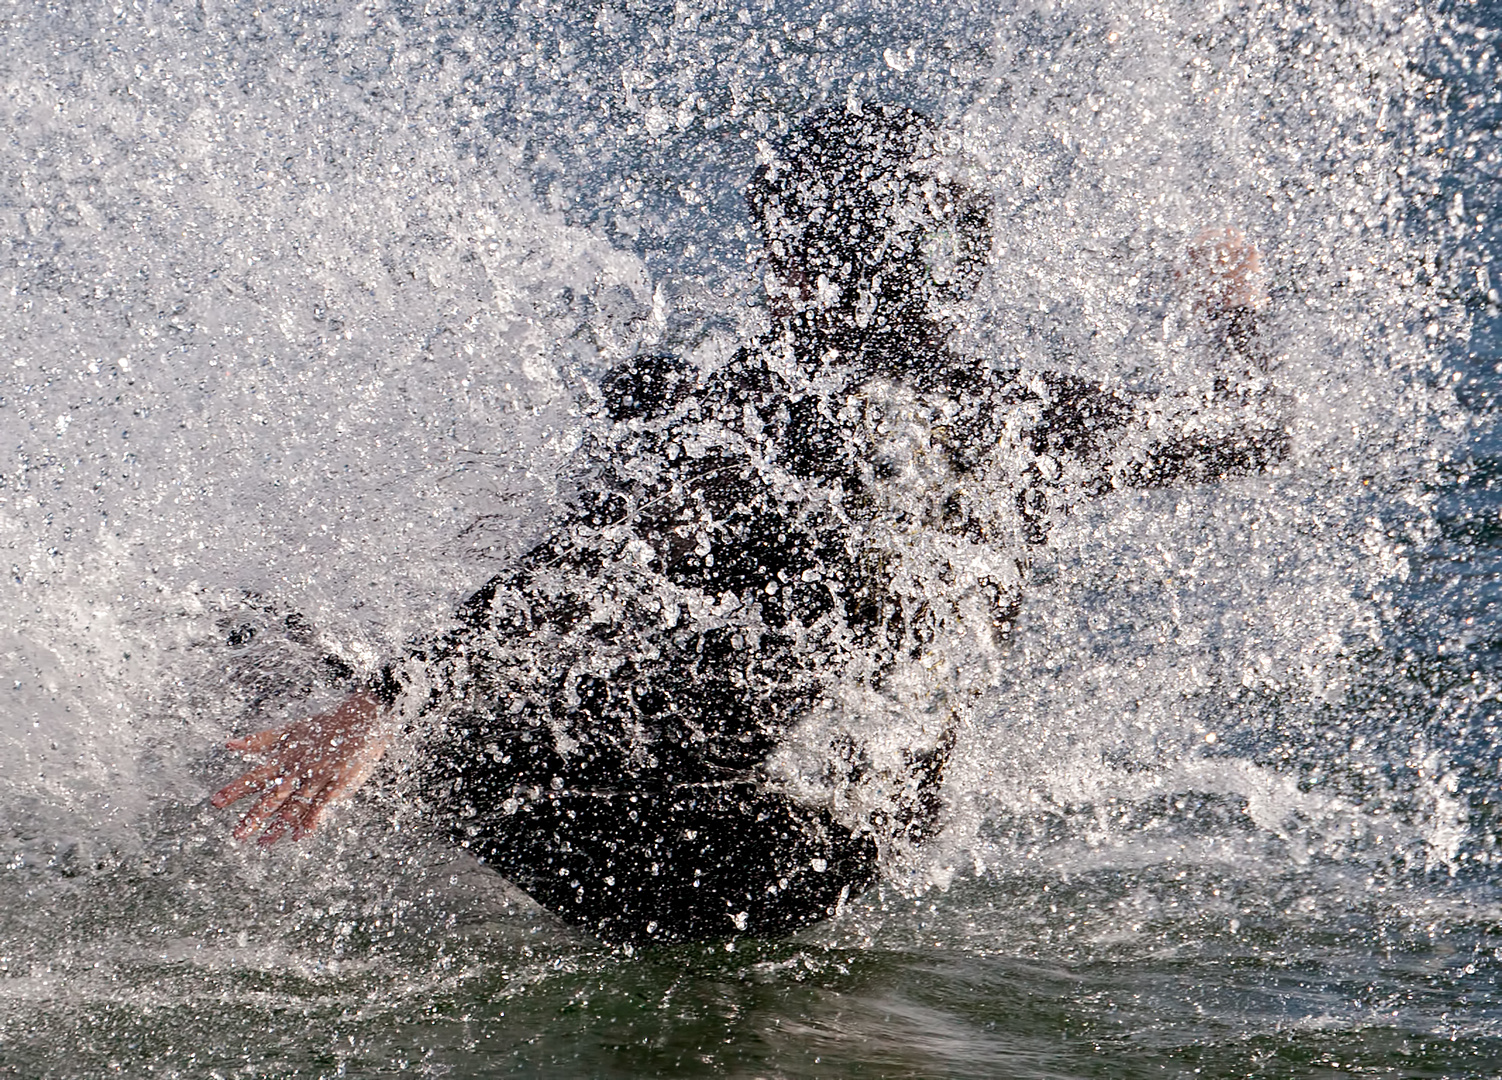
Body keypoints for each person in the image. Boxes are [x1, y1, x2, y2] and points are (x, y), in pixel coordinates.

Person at [211, 104, 1286, 944]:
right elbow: (1259, 429)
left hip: (669, 862)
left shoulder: (754, 402)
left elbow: (600, 557)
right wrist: (1230, 307)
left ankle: (295, 812)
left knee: (253, 638)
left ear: (793, 263)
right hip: (843, 867)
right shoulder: (1025, 417)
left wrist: (381, 705)